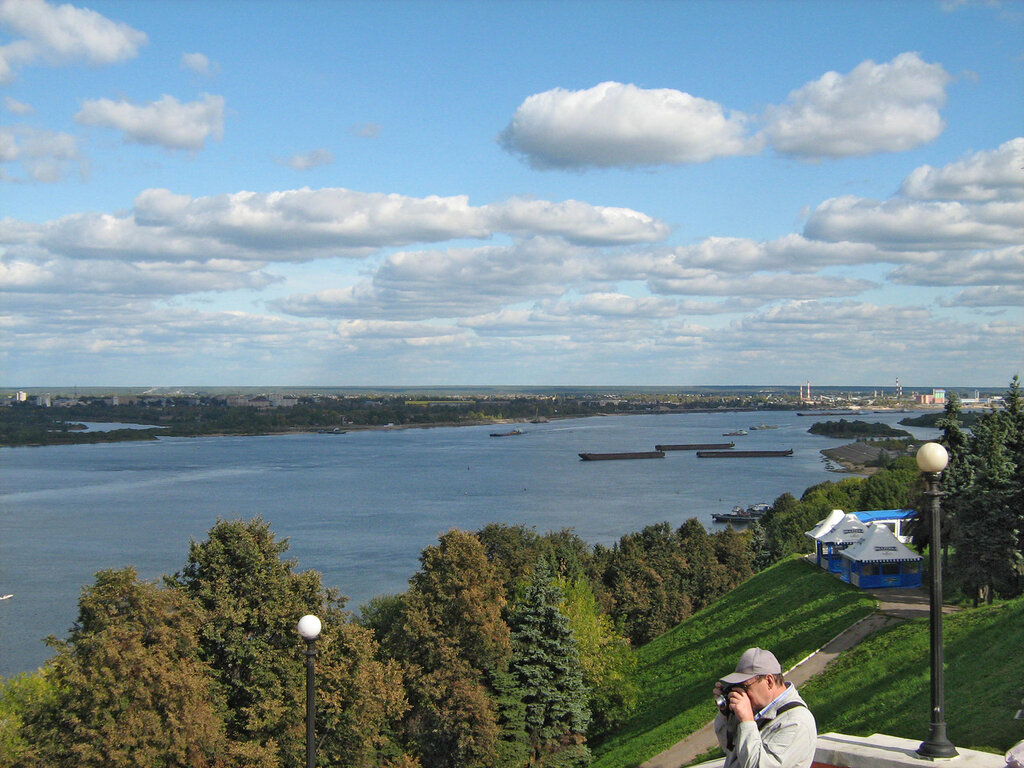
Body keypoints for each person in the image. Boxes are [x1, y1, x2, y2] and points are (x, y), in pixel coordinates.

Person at [713, 647, 817, 768]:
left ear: (769, 681)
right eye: (737, 687)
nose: (742, 694)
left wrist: (747, 722)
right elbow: (730, 748)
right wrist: (727, 714)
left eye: (745, 687)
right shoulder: (761, 709)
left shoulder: (796, 722)